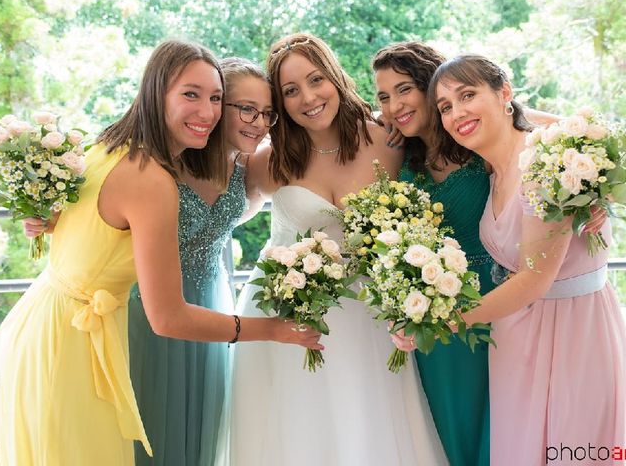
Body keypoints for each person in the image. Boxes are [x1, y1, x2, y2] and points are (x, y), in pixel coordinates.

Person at [0, 40, 321, 466]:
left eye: (215, 98)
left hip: (198, 312)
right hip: (129, 316)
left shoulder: (132, 150)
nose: (207, 111)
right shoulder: (150, 171)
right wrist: (275, 329)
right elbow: (163, 310)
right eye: (194, 95)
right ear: (156, 92)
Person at [226, 33, 448, 466]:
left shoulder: (389, 140)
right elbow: (213, 214)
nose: (308, 97)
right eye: (290, 91)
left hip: (368, 316)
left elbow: (473, 125)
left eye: (315, 80)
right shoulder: (270, 160)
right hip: (286, 317)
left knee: (367, 430)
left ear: (334, 76)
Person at [426, 54, 625, 465]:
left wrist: (446, 319)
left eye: (467, 95)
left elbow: (534, 279)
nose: (457, 112)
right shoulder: (489, 169)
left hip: (573, 333)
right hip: (516, 339)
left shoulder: (549, 164)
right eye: (445, 107)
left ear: (504, 94)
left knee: (578, 449)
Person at [127, 57, 276, 466]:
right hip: (146, 310)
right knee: (148, 428)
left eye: (266, 113)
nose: (258, 122)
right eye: (246, 108)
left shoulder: (248, 166)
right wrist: (45, 217)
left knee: (201, 432)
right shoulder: (161, 161)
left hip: (211, 304)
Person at [373, 41, 493, 466]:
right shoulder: (399, 154)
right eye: (383, 96)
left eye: (404, 90)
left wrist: (588, 198)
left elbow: (548, 137)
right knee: (448, 429)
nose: (393, 105)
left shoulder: (480, 134)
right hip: (436, 314)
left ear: (432, 86)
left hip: (501, 305)